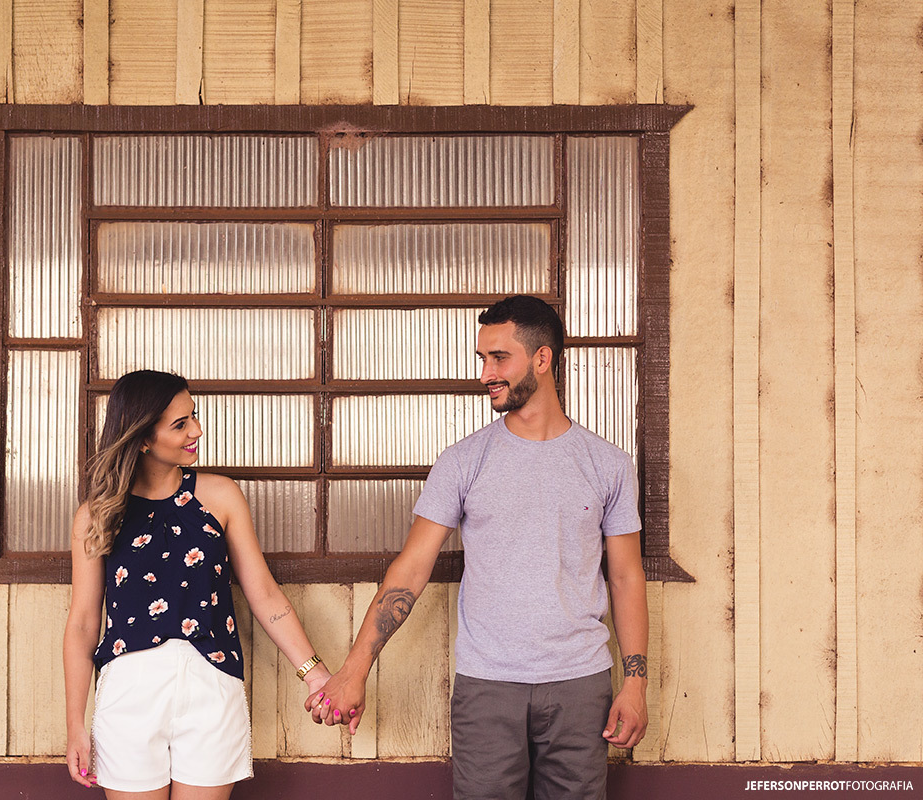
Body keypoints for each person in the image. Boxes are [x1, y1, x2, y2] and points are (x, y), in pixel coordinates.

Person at [307, 295, 649, 800]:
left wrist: (635, 684)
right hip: (487, 685)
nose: (486, 372)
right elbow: (411, 568)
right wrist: (354, 670)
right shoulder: (464, 461)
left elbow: (625, 577)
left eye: (499, 358)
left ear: (542, 358)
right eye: (482, 359)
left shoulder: (608, 465)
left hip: (579, 683)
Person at [64, 370, 334, 799]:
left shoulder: (220, 496)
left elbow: (263, 593)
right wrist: (75, 723)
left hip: (211, 681)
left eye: (194, 416)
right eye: (180, 424)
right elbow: (82, 622)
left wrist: (314, 674)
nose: (197, 430)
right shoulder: (96, 515)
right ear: (142, 438)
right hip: (129, 689)